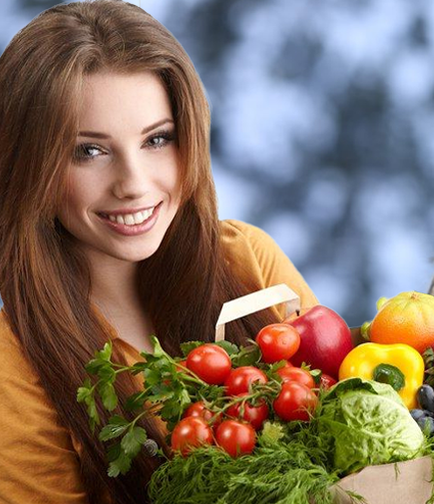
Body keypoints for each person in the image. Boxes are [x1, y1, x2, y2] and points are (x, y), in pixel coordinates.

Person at [0, 1, 317, 503]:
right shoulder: (13, 370)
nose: (133, 184)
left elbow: (351, 423)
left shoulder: (248, 258)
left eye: (157, 140)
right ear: (29, 165)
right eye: (89, 150)